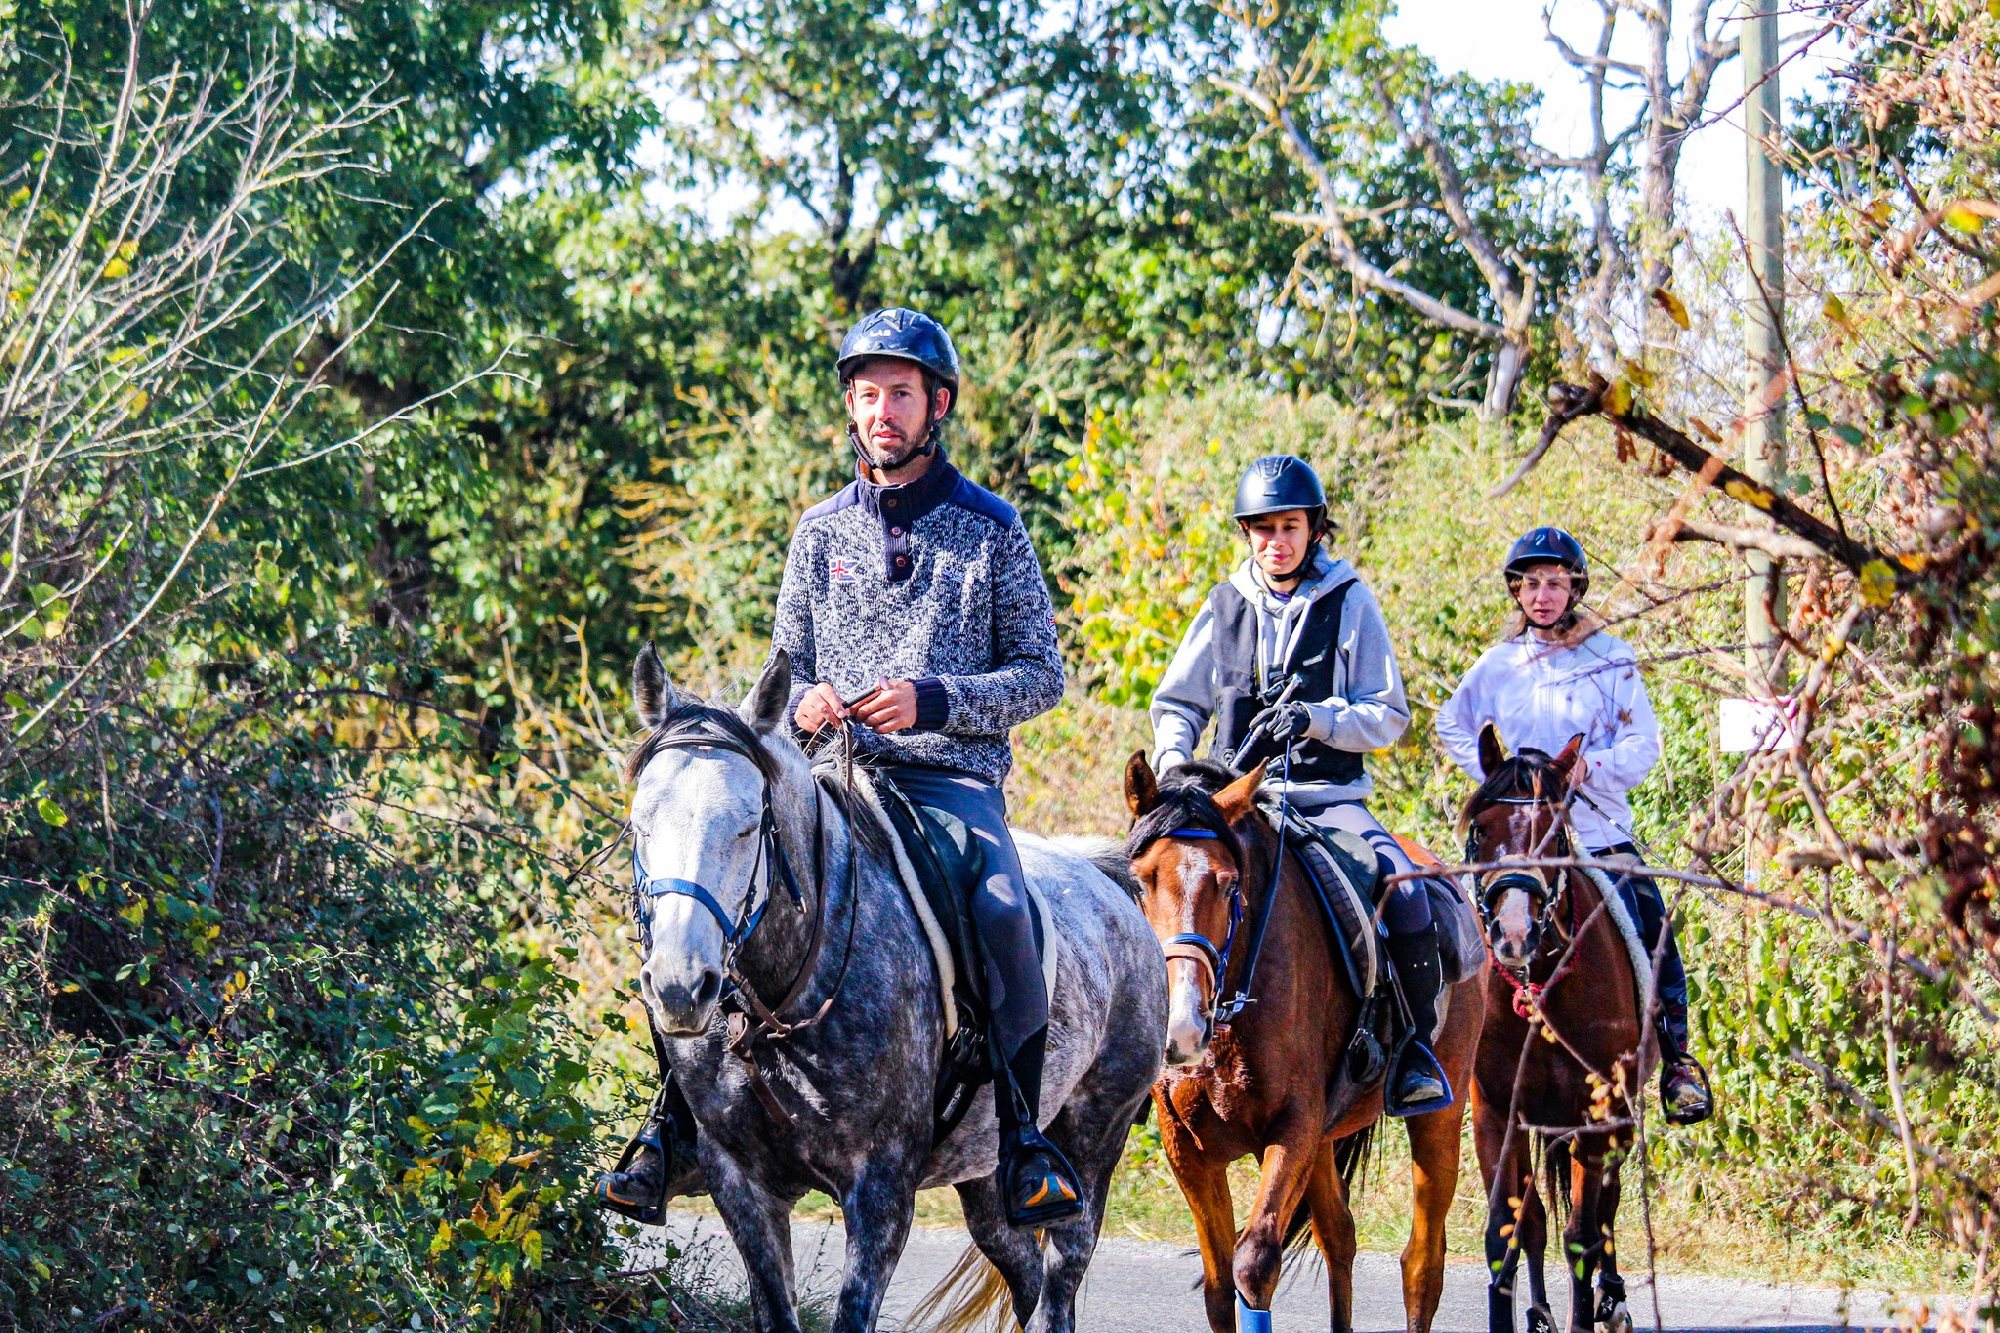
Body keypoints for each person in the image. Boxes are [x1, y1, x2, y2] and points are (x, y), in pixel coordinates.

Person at [598, 307, 1085, 1229]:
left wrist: (934, 700)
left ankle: (1024, 1138)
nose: (881, 411)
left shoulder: (992, 527)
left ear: (936, 403)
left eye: (899, 393)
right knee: (709, 888)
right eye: (867, 395)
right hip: (823, 775)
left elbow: (1041, 674)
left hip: (947, 782)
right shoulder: (818, 531)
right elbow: (786, 664)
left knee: (1005, 911)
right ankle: (671, 1123)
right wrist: (809, 700)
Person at [1149, 454, 1453, 1117]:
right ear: (1248, 534)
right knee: (1159, 887)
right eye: (1263, 529)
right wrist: (1175, 766)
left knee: (1404, 891)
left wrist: (1318, 718)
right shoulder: (1225, 604)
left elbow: (1388, 714)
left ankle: (1413, 1055)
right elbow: (1178, 704)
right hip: (1233, 808)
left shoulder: (1349, 600)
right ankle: (1141, 1057)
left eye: (1289, 526)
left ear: (1314, 529)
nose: (1276, 541)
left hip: (1329, 802)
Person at [1435, 526, 1712, 1125]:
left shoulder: (1611, 658)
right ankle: (1437, 1054)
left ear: (1574, 588)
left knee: (1651, 926)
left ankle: (1677, 1058)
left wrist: (1590, 766)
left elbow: (1645, 743)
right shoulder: (1497, 664)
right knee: (1450, 926)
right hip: (1517, 842)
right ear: (1517, 591)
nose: (1542, 594)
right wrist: (1500, 779)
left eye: (1555, 583)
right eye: (1531, 583)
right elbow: (1450, 722)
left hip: (1597, 829)